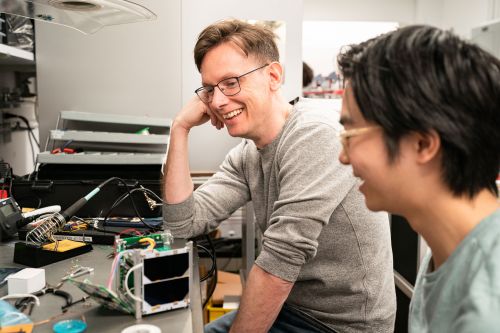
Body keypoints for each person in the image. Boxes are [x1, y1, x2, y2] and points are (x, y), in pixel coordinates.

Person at [162, 19, 396, 333]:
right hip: (292, 309)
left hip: (341, 326)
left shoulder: (315, 135)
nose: (217, 101)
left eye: (231, 82)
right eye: (209, 89)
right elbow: (182, 223)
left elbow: (278, 267)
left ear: (273, 76)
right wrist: (180, 128)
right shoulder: (248, 154)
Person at [336, 25, 500, 332]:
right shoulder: (449, 250)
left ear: (423, 144)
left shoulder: (489, 304)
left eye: (351, 134)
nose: (343, 157)